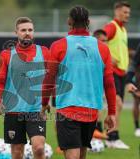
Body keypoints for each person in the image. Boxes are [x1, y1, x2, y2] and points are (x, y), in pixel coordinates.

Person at [42, 6, 116, 159]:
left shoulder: (58, 46)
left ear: (69, 21)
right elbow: (109, 83)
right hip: (91, 111)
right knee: (82, 153)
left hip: (67, 109)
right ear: (88, 22)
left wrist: (44, 103)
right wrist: (112, 113)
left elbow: (48, 79)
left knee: (73, 155)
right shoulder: (102, 48)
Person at [0, 17, 50, 159]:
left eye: (30, 30)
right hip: (13, 111)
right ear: (16, 32)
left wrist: (48, 101)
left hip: (36, 110)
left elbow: (52, 79)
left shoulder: (44, 52)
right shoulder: (6, 55)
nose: (27, 33)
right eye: (23, 30)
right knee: (17, 152)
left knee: (39, 148)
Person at [103, 1, 131, 149]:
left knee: (115, 106)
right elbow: (99, 39)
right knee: (117, 103)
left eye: (128, 13)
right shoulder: (112, 26)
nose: (127, 15)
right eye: (125, 12)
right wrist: (108, 56)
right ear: (117, 12)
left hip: (121, 73)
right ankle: (113, 137)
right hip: (112, 72)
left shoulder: (123, 30)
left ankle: (107, 135)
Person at [126, 42, 140, 137]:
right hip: (138, 78)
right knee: (137, 100)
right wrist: (129, 80)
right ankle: (137, 127)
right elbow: (134, 62)